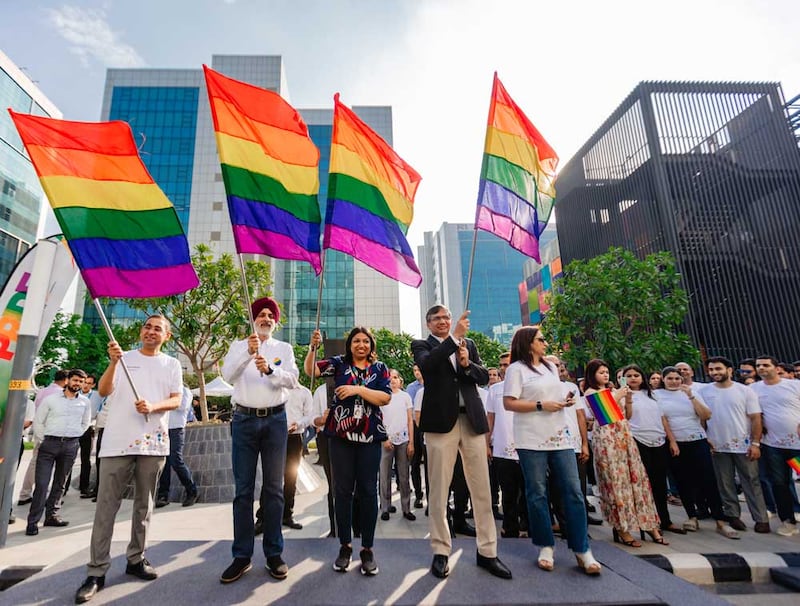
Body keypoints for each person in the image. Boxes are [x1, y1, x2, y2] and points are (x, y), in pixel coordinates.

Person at [74, 316, 182, 604]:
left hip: (153, 444)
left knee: (144, 506)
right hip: (116, 443)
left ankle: (136, 558)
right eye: (147, 327)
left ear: (167, 336)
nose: (151, 331)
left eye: (158, 328)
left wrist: (154, 406)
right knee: (106, 508)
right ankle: (96, 571)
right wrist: (112, 362)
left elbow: (176, 399)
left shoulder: (171, 364)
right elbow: (104, 391)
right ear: (141, 331)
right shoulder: (123, 358)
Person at [412, 305, 512, 580]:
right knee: (439, 490)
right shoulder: (421, 345)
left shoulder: (468, 344)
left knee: (482, 489)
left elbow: (482, 377)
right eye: (437, 319)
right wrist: (453, 339)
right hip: (440, 425)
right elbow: (429, 366)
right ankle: (441, 550)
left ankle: (488, 551)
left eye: (447, 317)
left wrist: (468, 363)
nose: (443, 321)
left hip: (472, 421)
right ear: (428, 323)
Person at [503, 327, 599, 575]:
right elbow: (509, 402)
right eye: (541, 339)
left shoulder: (551, 367)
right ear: (528, 343)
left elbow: (556, 396)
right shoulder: (516, 369)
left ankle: (582, 549)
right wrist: (540, 405)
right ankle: (545, 545)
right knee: (537, 493)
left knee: (573, 492)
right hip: (530, 438)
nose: (545, 343)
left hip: (560, 436)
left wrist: (563, 401)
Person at [219, 297, 298, 584]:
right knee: (243, 490)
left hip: (276, 420)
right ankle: (241, 556)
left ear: (275, 321)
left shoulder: (284, 349)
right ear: (253, 319)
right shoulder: (239, 346)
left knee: (275, 489)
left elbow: (292, 379)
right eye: (261, 314)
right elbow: (227, 376)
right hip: (244, 420)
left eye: (270, 315)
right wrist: (247, 355)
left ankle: (274, 553)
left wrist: (269, 370)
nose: (265, 318)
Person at [306, 326, 391, 576]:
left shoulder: (380, 368)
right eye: (356, 341)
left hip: (370, 438)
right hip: (340, 437)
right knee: (342, 492)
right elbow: (311, 370)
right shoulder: (339, 364)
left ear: (371, 345)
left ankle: (367, 549)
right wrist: (312, 348)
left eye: (366, 341)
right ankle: (345, 546)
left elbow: (384, 398)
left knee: (367, 492)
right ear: (350, 344)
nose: (361, 345)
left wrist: (357, 390)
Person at [584, 360, 664, 547]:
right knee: (616, 483)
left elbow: (626, 415)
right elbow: (605, 416)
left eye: (607, 371)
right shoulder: (590, 393)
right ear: (592, 374)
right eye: (601, 372)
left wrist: (626, 398)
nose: (605, 375)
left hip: (624, 435)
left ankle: (648, 523)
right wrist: (618, 394)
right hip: (607, 439)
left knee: (637, 479)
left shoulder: (613, 391)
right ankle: (622, 527)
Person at [658, 366, 737, 538]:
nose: (673, 382)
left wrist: (691, 396)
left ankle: (720, 520)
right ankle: (691, 516)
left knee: (708, 479)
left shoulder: (691, 392)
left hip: (697, 439)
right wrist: (672, 441)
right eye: (669, 378)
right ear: (663, 379)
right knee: (683, 481)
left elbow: (706, 415)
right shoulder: (657, 396)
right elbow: (663, 421)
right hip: (676, 443)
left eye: (677, 378)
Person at [701, 357, 769, 533]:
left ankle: (761, 518)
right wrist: (704, 438)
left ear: (729, 370)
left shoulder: (745, 391)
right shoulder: (705, 391)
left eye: (718, 369)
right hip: (717, 445)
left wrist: (755, 443)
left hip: (744, 445)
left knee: (751, 481)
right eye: (711, 370)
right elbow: (701, 418)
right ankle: (733, 515)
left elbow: (755, 418)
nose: (715, 373)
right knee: (725, 483)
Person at [622, 364, 685, 535]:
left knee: (659, 484)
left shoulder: (653, 395)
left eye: (636, 374)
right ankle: (649, 522)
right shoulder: (622, 395)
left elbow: (663, 419)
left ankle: (665, 520)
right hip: (638, 440)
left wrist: (672, 441)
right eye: (629, 375)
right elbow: (625, 417)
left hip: (658, 441)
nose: (633, 378)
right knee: (644, 484)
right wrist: (626, 398)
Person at [26, 369, 91, 535]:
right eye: (75, 380)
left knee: (60, 483)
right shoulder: (51, 400)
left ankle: (51, 516)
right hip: (49, 444)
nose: (78, 383)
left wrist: (75, 435)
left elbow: (86, 423)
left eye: (81, 381)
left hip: (70, 445)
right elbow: (38, 422)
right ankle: (32, 522)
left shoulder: (85, 402)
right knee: (41, 484)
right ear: (68, 380)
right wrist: (43, 439)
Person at [750, 355, 800, 537]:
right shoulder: (753, 389)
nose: (762, 368)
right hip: (772, 445)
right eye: (758, 366)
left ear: (777, 368)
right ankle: (788, 521)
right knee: (780, 483)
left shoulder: (794, 385)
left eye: (765, 365)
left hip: (797, 445)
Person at [486, 352, 528, 538]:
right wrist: (487, 444)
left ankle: (527, 526)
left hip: (528, 447)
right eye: (502, 365)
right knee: (508, 492)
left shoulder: (527, 387)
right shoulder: (494, 390)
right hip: (502, 449)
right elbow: (490, 419)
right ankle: (509, 527)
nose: (504, 368)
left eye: (508, 364)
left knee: (528, 492)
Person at [18, 369, 69, 506]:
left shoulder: (42, 391)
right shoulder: (61, 394)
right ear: (66, 380)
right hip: (52, 434)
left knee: (34, 463)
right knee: (48, 466)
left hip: (39, 431)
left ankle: (25, 493)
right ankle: (44, 495)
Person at [379, 369, 415, 522]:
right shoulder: (382, 396)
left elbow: (409, 421)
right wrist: (384, 438)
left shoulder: (405, 396)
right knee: (385, 475)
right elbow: (378, 419)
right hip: (386, 440)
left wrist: (411, 442)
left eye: (395, 377)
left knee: (404, 476)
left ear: (400, 380)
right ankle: (385, 507)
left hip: (403, 440)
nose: (392, 380)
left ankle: (406, 508)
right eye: (389, 377)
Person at [156, 385, 198, 508]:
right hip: (163, 428)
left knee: (176, 460)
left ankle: (192, 490)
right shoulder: (165, 390)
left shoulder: (184, 391)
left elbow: (181, 406)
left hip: (177, 429)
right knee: (164, 463)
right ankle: (163, 495)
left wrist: (166, 401)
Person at [282, 384, 313, 529]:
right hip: (275, 437)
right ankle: (263, 518)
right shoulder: (277, 388)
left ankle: (287, 515)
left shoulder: (304, 392)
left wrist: (299, 423)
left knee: (291, 478)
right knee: (271, 478)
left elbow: (309, 416)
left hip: (295, 438)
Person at [78, 375, 97, 498]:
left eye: (89, 383)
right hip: (73, 428)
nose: (86, 385)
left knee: (85, 459)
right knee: (67, 459)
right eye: (84, 382)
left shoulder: (97, 396)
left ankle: (84, 487)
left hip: (87, 428)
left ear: (93, 385)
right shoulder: (75, 394)